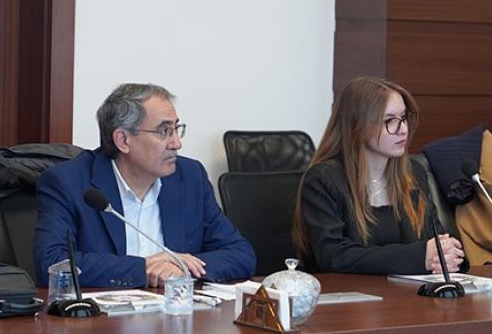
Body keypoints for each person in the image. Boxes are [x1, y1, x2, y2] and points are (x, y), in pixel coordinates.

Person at [34, 83, 256, 288]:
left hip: (176, 313)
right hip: (104, 316)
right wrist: (143, 268)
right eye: (164, 131)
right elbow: (52, 264)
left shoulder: (190, 177)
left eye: (176, 129)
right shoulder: (68, 182)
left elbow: (241, 254)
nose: (177, 143)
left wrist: (180, 267)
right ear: (123, 140)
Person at [293, 77, 466, 274]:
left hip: (410, 291)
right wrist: (420, 257)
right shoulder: (324, 179)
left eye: (403, 118)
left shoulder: (413, 173)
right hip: (348, 291)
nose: (403, 129)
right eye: (390, 121)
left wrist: (448, 256)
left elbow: (438, 239)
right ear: (358, 125)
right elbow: (333, 255)